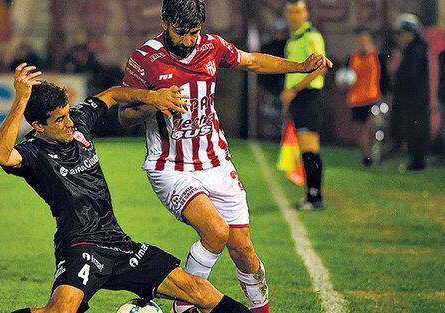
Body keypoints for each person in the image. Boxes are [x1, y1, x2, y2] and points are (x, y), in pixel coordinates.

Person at [118, 1, 332, 312]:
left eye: (194, 32)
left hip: (216, 161)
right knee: (216, 231)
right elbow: (125, 116)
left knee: (243, 249)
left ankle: (259, 308)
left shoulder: (212, 46)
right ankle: (185, 302)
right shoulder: (144, 58)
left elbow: (253, 62)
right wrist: (155, 102)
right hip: (171, 167)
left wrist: (300, 67)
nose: (188, 40)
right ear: (165, 22)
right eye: (181, 32)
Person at [0, 63, 256, 313]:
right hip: (80, 246)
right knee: (61, 310)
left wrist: (154, 97)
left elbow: (114, 94)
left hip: (119, 244)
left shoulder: (80, 121)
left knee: (201, 292)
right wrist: (20, 101)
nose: (70, 123)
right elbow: (2, 155)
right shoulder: (33, 154)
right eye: (60, 120)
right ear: (38, 126)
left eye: (67, 113)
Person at [280, 0, 327, 210]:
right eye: (291, 12)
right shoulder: (293, 40)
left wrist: (296, 89)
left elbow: (320, 67)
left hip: (309, 96)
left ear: (306, 13)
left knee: (310, 148)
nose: (294, 16)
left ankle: (315, 196)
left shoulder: (311, 37)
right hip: (299, 98)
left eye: (298, 11)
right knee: (306, 148)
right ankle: (312, 194)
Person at [387, 14, 430, 171]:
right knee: (413, 130)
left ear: (411, 33)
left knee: (416, 131)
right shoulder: (414, 50)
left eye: (402, 33)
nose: (400, 37)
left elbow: (409, 75)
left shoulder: (415, 51)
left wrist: (396, 86)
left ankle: (417, 163)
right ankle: (416, 161)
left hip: (415, 100)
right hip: (414, 99)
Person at [345, 28, 382, 167]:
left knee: (369, 128)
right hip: (355, 99)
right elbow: (346, 78)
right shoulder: (352, 57)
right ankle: (366, 155)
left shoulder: (376, 56)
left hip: (371, 97)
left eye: (365, 40)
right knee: (360, 130)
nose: (362, 43)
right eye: (360, 40)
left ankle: (369, 155)